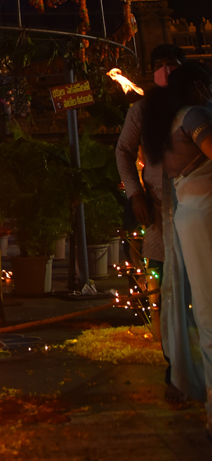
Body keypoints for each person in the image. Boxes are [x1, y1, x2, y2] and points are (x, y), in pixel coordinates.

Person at [141, 62, 212, 441]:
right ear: (200, 85)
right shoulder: (195, 115)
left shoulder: (167, 123)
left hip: (189, 213)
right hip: (206, 213)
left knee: (205, 311)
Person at [116, 44, 186, 267]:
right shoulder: (142, 110)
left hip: (198, 203)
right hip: (157, 207)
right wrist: (135, 194)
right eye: (158, 66)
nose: (165, 70)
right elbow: (124, 151)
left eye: (171, 64)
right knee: (164, 277)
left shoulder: (197, 105)